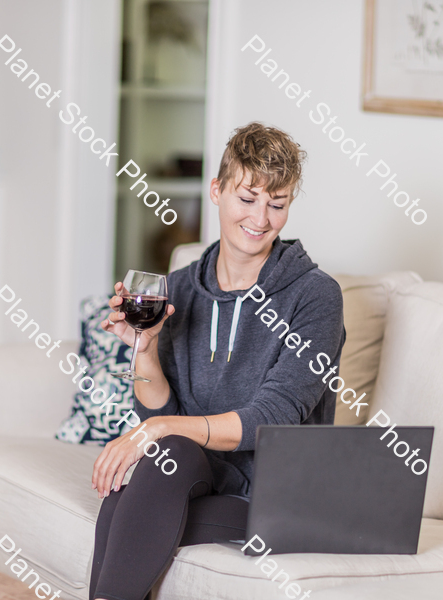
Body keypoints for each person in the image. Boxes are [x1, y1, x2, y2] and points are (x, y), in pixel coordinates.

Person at [90, 122, 345, 600]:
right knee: (163, 457)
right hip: (196, 475)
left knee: (133, 494)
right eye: (248, 199)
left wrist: (160, 430)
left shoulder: (316, 297)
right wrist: (144, 349)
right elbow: (159, 413)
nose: (261, 218)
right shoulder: (181, 286)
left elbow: (274, 418)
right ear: (217, 190)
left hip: (274, 497)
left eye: (278, 203)